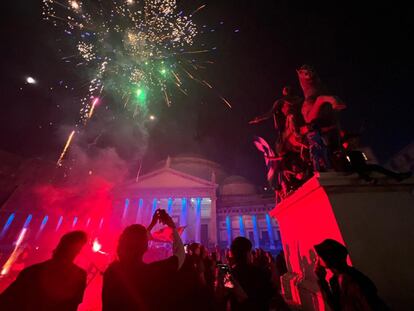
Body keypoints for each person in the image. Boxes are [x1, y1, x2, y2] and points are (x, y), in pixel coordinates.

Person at [102, 209, 185, 311]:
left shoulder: (111, 271)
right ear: (145, 247)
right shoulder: (151, 272)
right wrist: (172, 227)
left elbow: (136, 240)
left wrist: (151, 224)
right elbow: (180, 254)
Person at [0, 230, 88, 311]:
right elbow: (72, 306)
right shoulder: (80, 275)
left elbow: (6, 300)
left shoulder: (32, 271)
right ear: (77, 251)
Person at [314, 239, 389, 311]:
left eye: (319, 256)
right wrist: (322, 280)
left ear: (328, 258)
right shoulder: (335, 281)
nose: (317, 260)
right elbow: (336, 307)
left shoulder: (351, 279)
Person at [216, 237, 274, 311]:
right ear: (248, 253)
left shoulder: (228, 274)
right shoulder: (260, 272)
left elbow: (221, 297)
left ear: (232, 254)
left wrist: (219, 279)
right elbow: (270, 294)